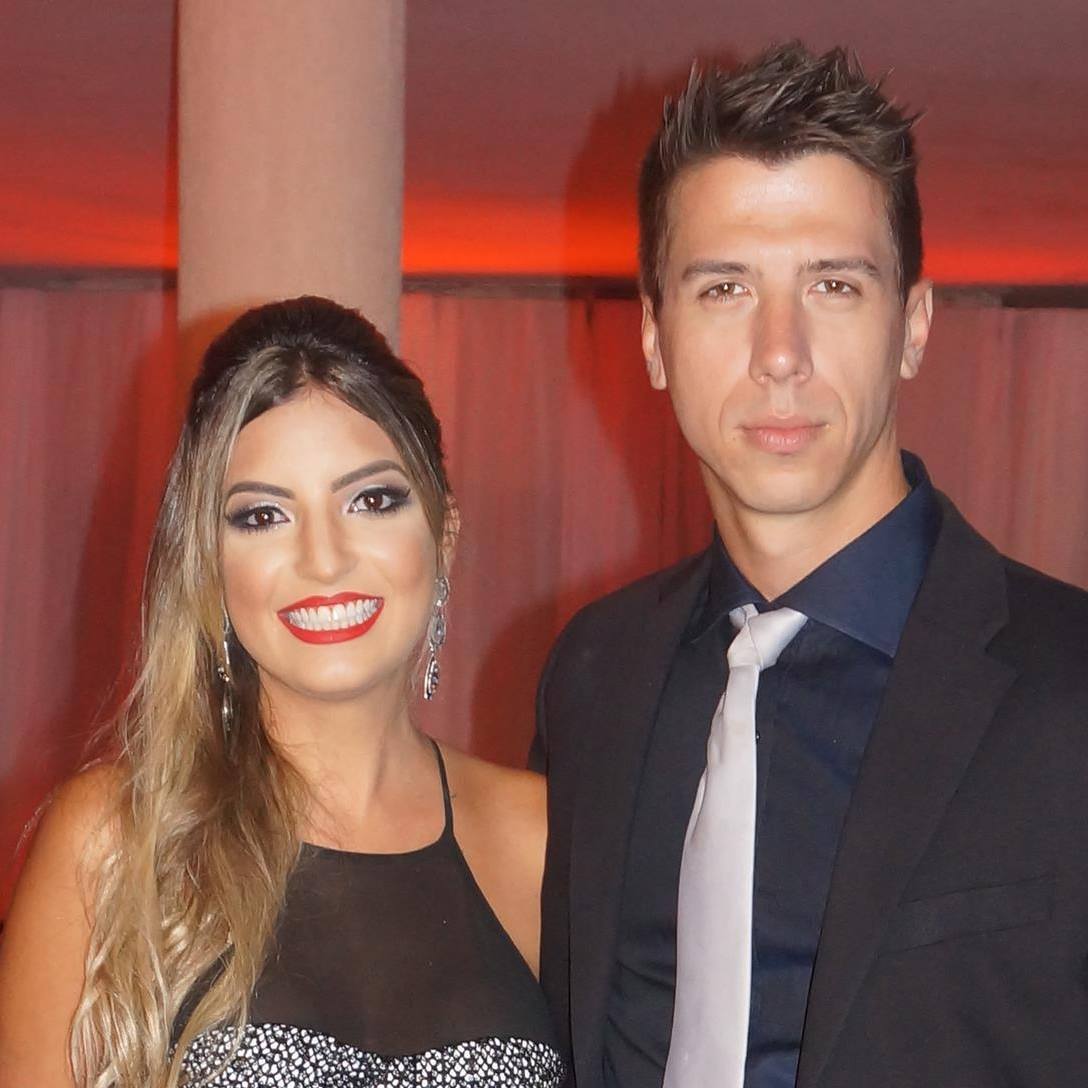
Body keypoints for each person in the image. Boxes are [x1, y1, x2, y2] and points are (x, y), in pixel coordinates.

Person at [532, 41, 1088, 1088]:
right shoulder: (592, 676)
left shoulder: (1071, 688)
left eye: (833, 284)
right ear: (653, 338)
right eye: (723, 288)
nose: (778, 352)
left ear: (911, 326)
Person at [0, 297, 563, 1088]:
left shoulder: (544, 838)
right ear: (208, 564)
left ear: (443, 537)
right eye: (263, 515)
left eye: (371, 501)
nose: (323, 559)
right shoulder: (116, 842)